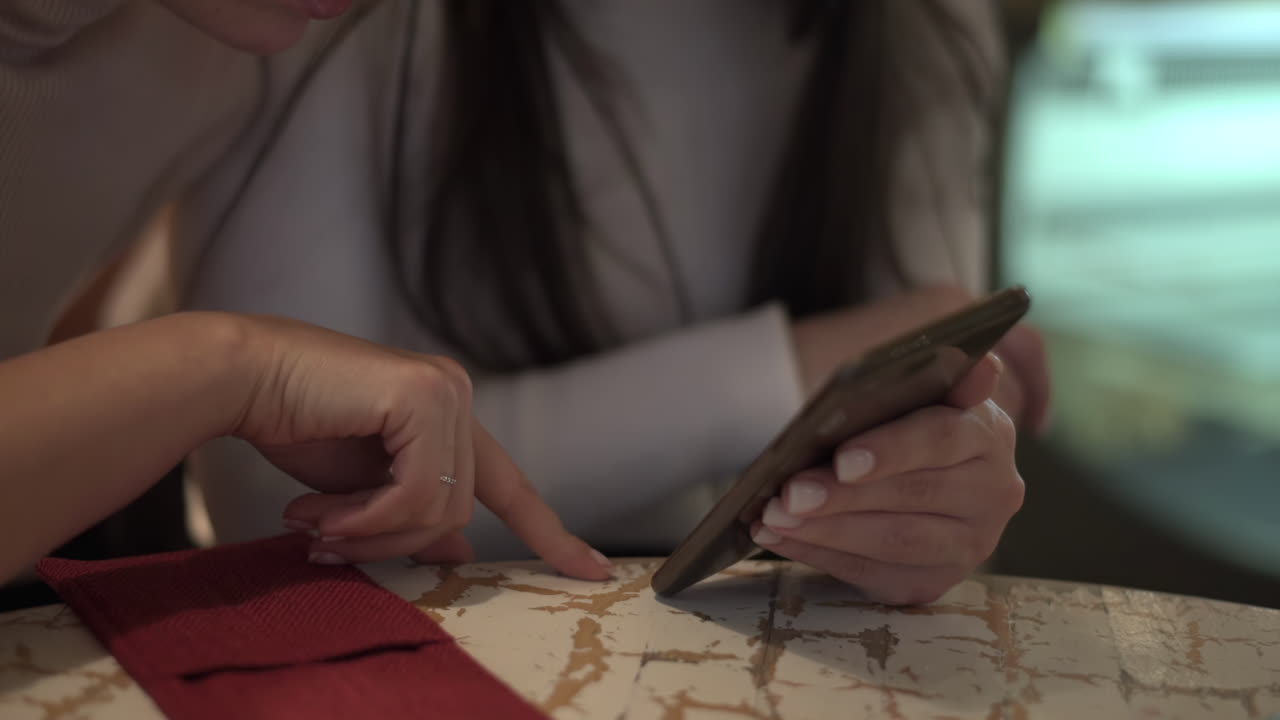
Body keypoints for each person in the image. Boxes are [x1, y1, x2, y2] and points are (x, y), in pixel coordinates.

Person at [1, 0, 1050, 605]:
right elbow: (273, 498)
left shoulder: (207, 44)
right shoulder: (288, 36)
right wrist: (223, 368)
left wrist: (933, 500)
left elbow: (938, 409)